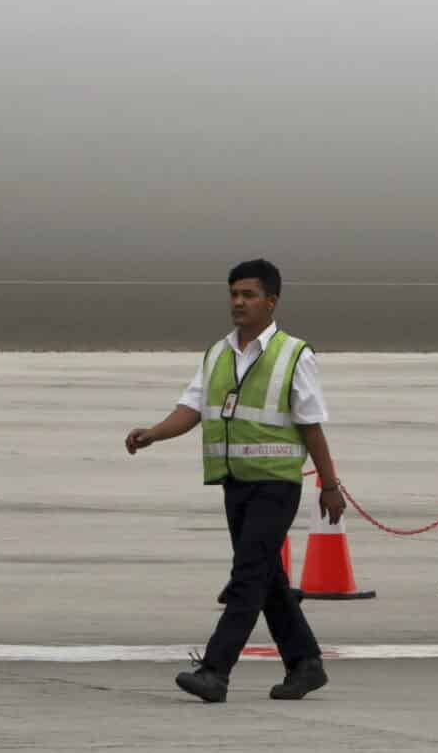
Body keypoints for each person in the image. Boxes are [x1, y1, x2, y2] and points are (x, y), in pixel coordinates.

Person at [124, 258, 346, 702]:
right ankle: (305, 663)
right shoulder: (218, 353)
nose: (238, 302)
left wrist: (329, 483)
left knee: (247, 576)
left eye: (248, 295)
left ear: (271, 301)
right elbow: (192, 408)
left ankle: (215, 670)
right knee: (266, 578)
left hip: (277, 484)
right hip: (235, 482)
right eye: (234, 294)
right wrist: (153, 433)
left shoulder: (294, 354)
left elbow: (311, 424)